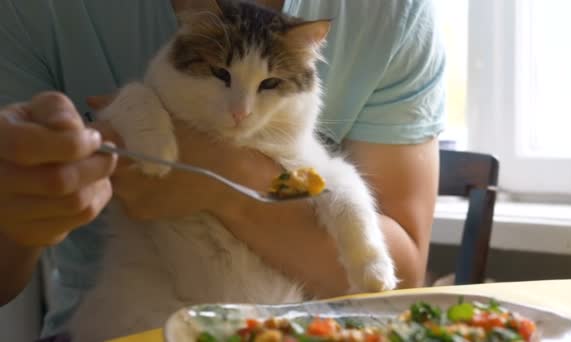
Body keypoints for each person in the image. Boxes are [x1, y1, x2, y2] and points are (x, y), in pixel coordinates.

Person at [0, 0, 445, 338]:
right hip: (135, 317)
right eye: (222, 78)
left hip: (293, 319)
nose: (242, 112)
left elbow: (398, 281)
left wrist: (222, 178)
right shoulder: (37, 13)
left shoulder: (391, 15)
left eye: (269, 85)